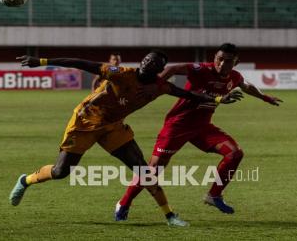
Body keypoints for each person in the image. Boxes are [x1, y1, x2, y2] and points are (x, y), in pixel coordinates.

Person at [9, 51, 242, 226]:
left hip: (113, 127)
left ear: (158, 70)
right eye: (147, 59)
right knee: (61, 172)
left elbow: (188, 94)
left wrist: (220, 100)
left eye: (155, 63)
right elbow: (80, 63)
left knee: (144, 171)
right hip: (85, 122)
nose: (148, 63)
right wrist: (40, 62)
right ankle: (26, 181)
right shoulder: (120, 74)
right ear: (142, 61)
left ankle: (170, 216)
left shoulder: (160, 86)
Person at [115, 43, 282, 220]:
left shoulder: (234, 76)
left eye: (228, 61)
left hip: (203, 128)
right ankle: (124, 203)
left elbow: (246, 86)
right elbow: (172, 69)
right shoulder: (200, 70)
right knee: (153, 170)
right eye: (219, 59)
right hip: (177, 126)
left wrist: (265, 97)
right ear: (214, 58)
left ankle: (214, 195)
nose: (222, 64)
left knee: (235, 153)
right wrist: (156, 85)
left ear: (236, 62)